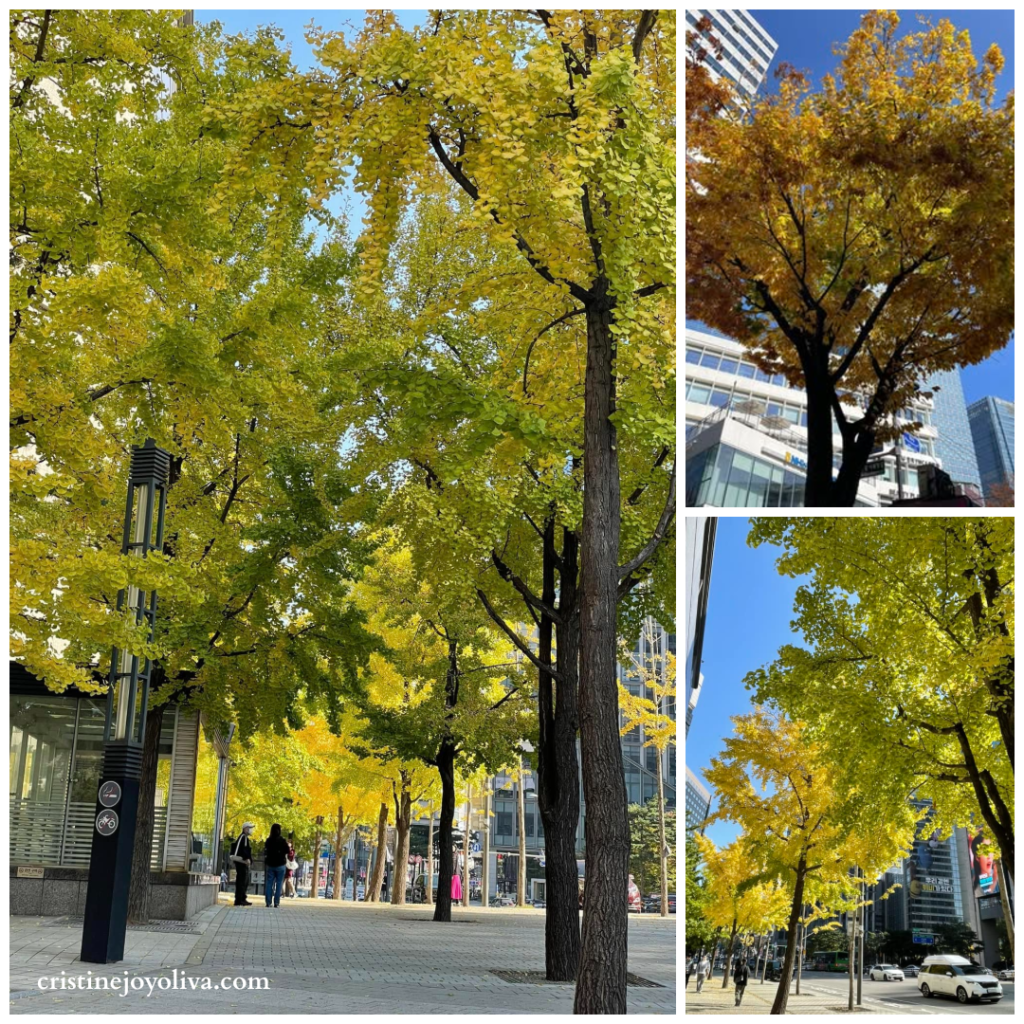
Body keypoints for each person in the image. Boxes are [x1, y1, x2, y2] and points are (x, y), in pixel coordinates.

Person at [263, 823, 290, 908]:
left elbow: (266, 851)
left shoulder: (268, 840)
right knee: (279, 884)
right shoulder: (282, 840)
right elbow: (287, 850)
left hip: (270, 864)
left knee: (269, 883)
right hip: (281, 864)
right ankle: (276, 902)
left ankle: (268, 902)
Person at [231, 823, 254, 906]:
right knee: (242, 880)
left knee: (244, 880)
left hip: (242, 862)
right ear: (245, 829)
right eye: (250, 828)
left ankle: (242, 898)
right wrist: (247, 858)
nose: (251, 830)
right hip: (241, 863)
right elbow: (243, 850)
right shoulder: (243, 837)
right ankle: (239, 899)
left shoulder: (244, 838)